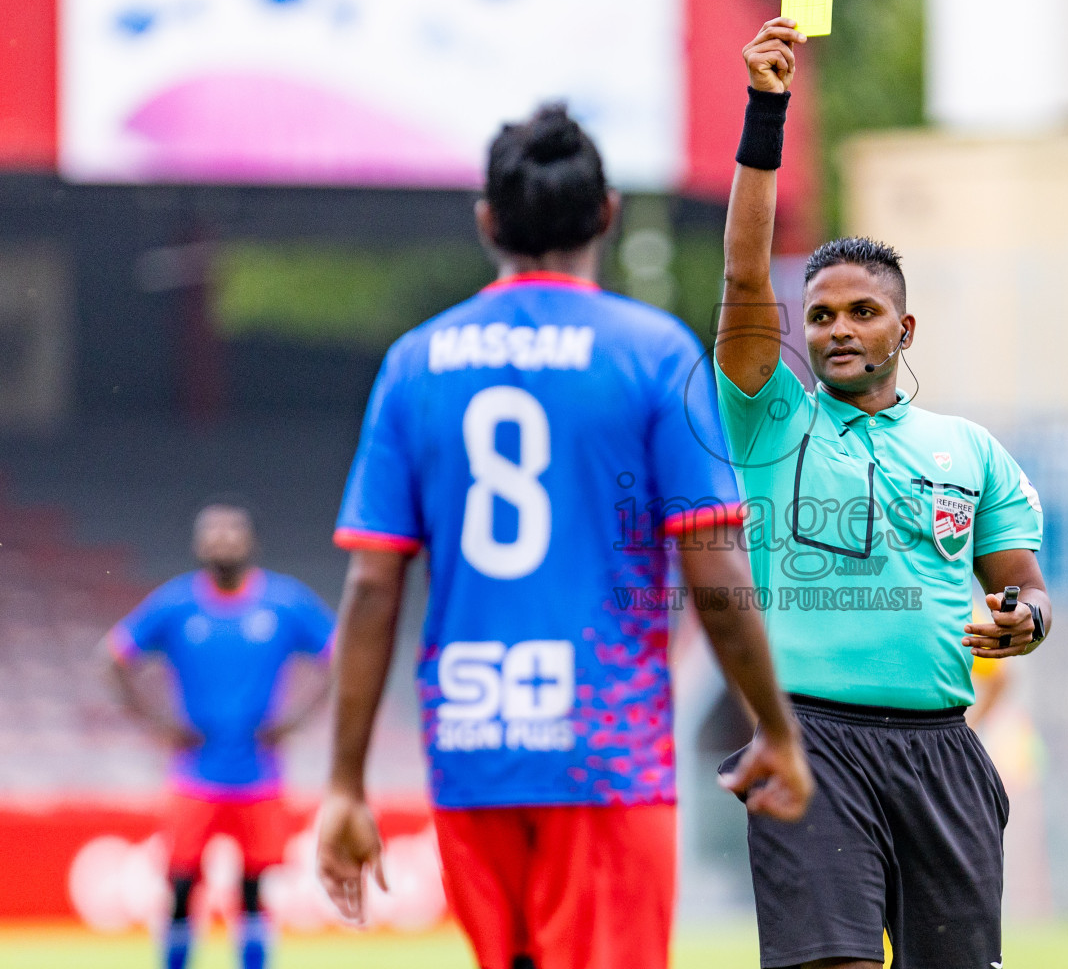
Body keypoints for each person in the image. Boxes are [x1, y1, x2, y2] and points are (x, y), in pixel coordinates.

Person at [316, 104, 812, 969]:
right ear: (608, 213)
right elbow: (713, 565)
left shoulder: (414, 363)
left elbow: (370, 587)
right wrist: (773, 724)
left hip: (472, 748)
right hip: (602, 748)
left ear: (487, 222)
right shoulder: (653, 353)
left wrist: (346, 783)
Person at [713, 18, 1054, 969]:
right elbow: (744, 274)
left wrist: (1021, 620)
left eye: (862, 311)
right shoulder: (772, 422)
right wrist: (766, 110)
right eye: (819, 315)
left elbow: (1023, 586)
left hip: (945, 752)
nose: (836, 329)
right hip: (811, 740)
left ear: (906, 328)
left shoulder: (970, 450)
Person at [100, 503, 335, 969]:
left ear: (251, 543)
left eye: (232, 531)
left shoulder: (285, 603)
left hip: (259, 776)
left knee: (255, 890)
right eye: (213, 532)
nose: (223, 539)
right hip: (195, 775)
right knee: (182, 886)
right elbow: (113, 658)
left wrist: (298, 719)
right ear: (198, 545)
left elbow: (339, 655)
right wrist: (158, 722)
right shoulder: (176, 604)